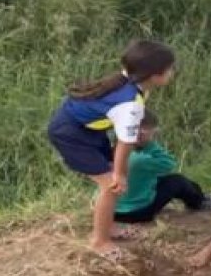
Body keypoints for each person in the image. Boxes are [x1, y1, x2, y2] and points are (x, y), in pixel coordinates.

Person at [47, 40, 177, 261]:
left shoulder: (133, 82)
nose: (173, 72)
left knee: (112, 178)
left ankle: (110, 228)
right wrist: (119, 174)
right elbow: (125, 143)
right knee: (111, 186)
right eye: (170, 68)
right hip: (71, 133)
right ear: (155, 75)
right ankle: (100, 241)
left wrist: (117, 169)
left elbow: (123, 133)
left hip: (85, 128)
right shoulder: (130, 103)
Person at [112, 110, 211, 225]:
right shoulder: (141, 160)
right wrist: (149, 143)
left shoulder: (116, 153)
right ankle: (199, 202)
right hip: (137, 212)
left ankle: (200, 197)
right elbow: (170, 164)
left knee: (156, 178)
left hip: (113, 211)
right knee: (177, 181)